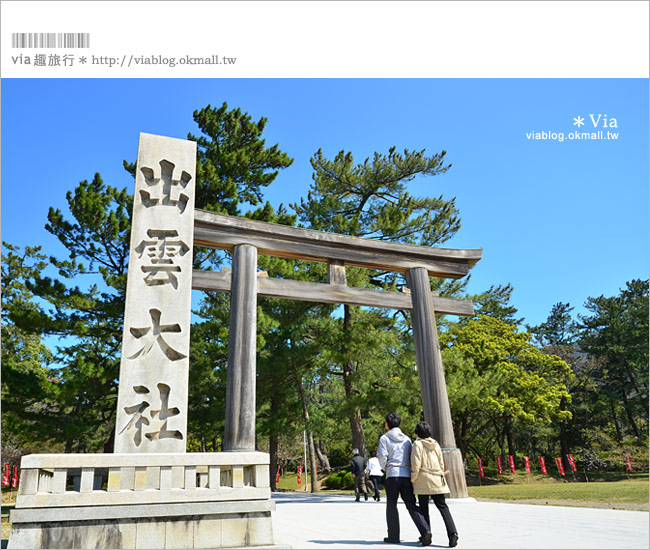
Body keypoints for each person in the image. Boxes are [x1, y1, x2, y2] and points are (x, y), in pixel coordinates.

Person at [377, 412, 432, 546]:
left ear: (386, 425)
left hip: (392, 475)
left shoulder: (384, 438)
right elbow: (411, 456)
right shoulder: (407, 439)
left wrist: (387, 468)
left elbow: (382, 456)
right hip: (406, 475)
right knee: (411, 504)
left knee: (392, 505)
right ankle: (425, 530)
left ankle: (393, 536)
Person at [410, 421, 459, 548]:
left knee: (423, 507)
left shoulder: (417, 444)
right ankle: (452, 533)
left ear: (417, 433)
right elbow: (441, 463)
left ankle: (426, 534)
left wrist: (412, 479)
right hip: (437, 478)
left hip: (423, 479)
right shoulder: (435, 444)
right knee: (443, 506)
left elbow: (416, 465)